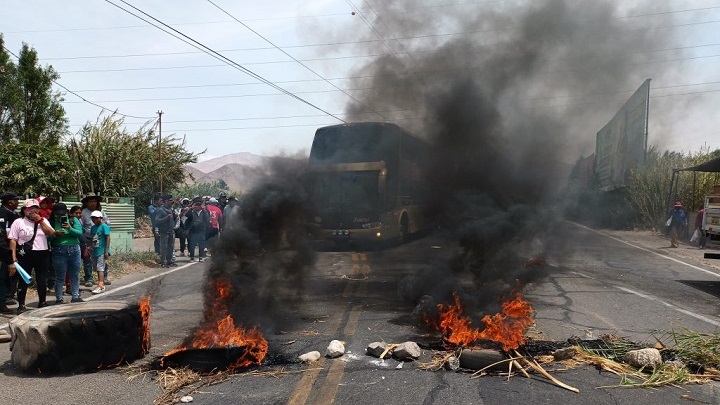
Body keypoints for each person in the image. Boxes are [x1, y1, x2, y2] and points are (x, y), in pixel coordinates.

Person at [8, 199, 56, 312]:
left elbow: (51, 233)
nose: (33, 211)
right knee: (23, 279)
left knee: (41, 279)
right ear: (24, 210)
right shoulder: (18, 222)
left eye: (36, 208)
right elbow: (13, 241)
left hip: (42, 253)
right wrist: (13, 258)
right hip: (25, 255)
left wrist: (40, 221)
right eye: (30, 208)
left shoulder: (43, 221)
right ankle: (21, 305)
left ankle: (42, 302)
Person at [49, 203, 84, 304]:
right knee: (60, 276)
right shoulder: (51, 222)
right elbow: (48, 238)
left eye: (62, 214)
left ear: (67, 213)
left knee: (75, 274)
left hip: (74, 249)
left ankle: (75, 296)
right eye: (57, 214)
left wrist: (70, 228)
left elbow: (79, 233)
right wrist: (55, 234)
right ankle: (59, 298)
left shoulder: (73, 220)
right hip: (59, 250)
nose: (60, 216)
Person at [80, 194, 110, 287]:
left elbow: (108, 222)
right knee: (88, 259)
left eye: (94, 201)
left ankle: (104, 278)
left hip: (100, 239)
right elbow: (81, 226)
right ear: (86, 203)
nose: (93, 203)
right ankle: (89, 278)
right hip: (88, 239)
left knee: (102, 258)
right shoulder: (83, 212)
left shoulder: (100, 211)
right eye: (90, 202)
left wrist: (103, 223)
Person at [0, 192, 20, 310]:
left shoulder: (13, 214)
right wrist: (8, 254)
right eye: (16, 200)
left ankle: (7, 296)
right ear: (9, 202)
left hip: (12, 250)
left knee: (9, 276)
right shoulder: (2, 213)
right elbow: (2, 237)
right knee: (2, 277)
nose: (17, 202)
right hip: (4, 252)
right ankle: (1, 303)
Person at [89, 211, 111, 294]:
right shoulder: (93, 227)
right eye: (93, 218)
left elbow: (108, 238)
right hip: (95, 250)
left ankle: (101, 285)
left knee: (100, 268)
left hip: (102, 251)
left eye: (96, 218)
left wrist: (106, 251)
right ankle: (100, 284)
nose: (94, 219)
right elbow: (92, 238)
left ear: (100, 218)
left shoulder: (104, 226)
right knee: (96, 268)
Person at [184, 197, 210, 262]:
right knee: (192, 245)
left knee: (201, 245)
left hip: (201, 231)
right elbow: (187, 215)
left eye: (199, 205)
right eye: (196, 205)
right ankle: (192, 257)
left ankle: (201, 257)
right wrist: (191, 208)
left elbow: (207, 219)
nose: (197, 207)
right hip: (193, 231)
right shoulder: (192, 212)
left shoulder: (204, 212)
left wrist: (203, 209)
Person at [155, 195, 176, 268]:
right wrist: (166, 218)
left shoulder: (171, 209)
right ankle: (163, 262)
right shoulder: (160, 210)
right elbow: (157, 221)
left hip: (171, 231)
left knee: (171, 247)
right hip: (164, 231)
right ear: (166, 201)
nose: (172, 202)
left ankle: (169, 261)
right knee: (164, 247)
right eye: (170, 200)